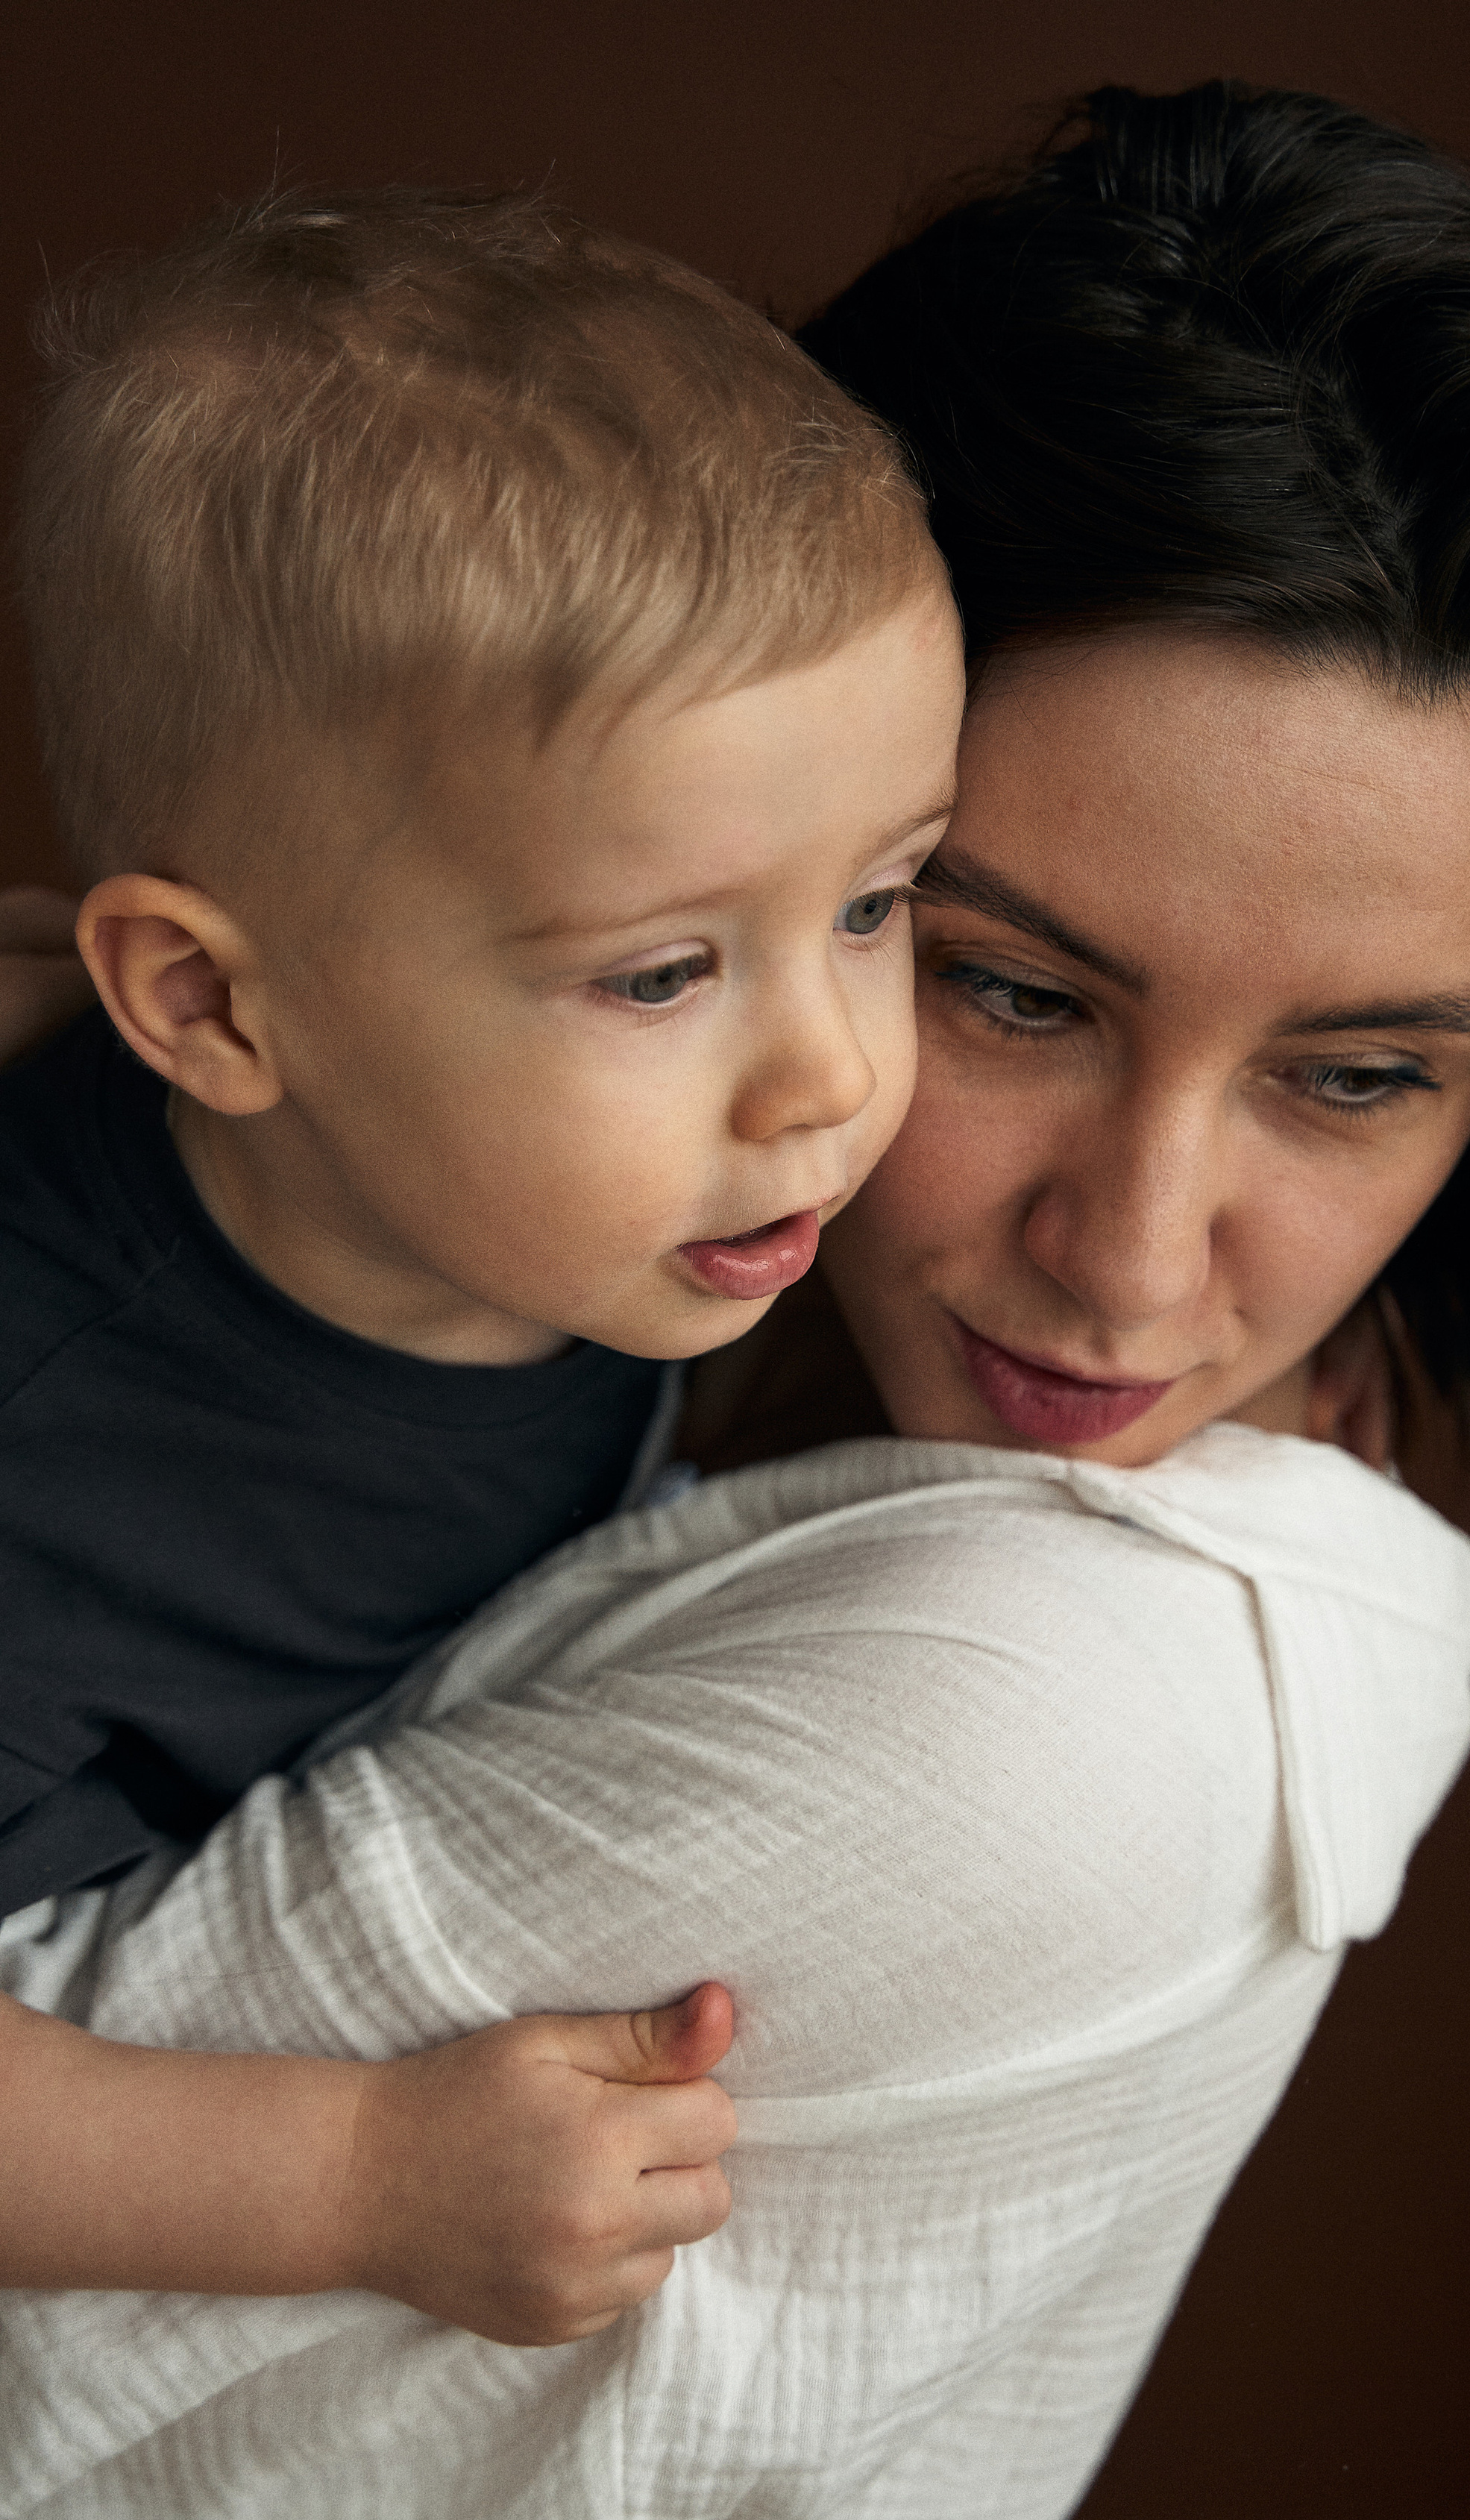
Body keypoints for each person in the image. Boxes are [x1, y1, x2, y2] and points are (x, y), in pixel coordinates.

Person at [0, 78, 1470, 2520]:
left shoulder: (1086, 1679)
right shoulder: (375, 1232)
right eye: (1015, 989)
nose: (1133, 1268)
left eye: (1358, 1076)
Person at [0, 187, 964, 2340]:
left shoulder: (591, 1204)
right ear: (215, 1007)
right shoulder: (54, 1455)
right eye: (659, 974)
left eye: (880, 901)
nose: (831, 1073)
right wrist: (350, 2176)